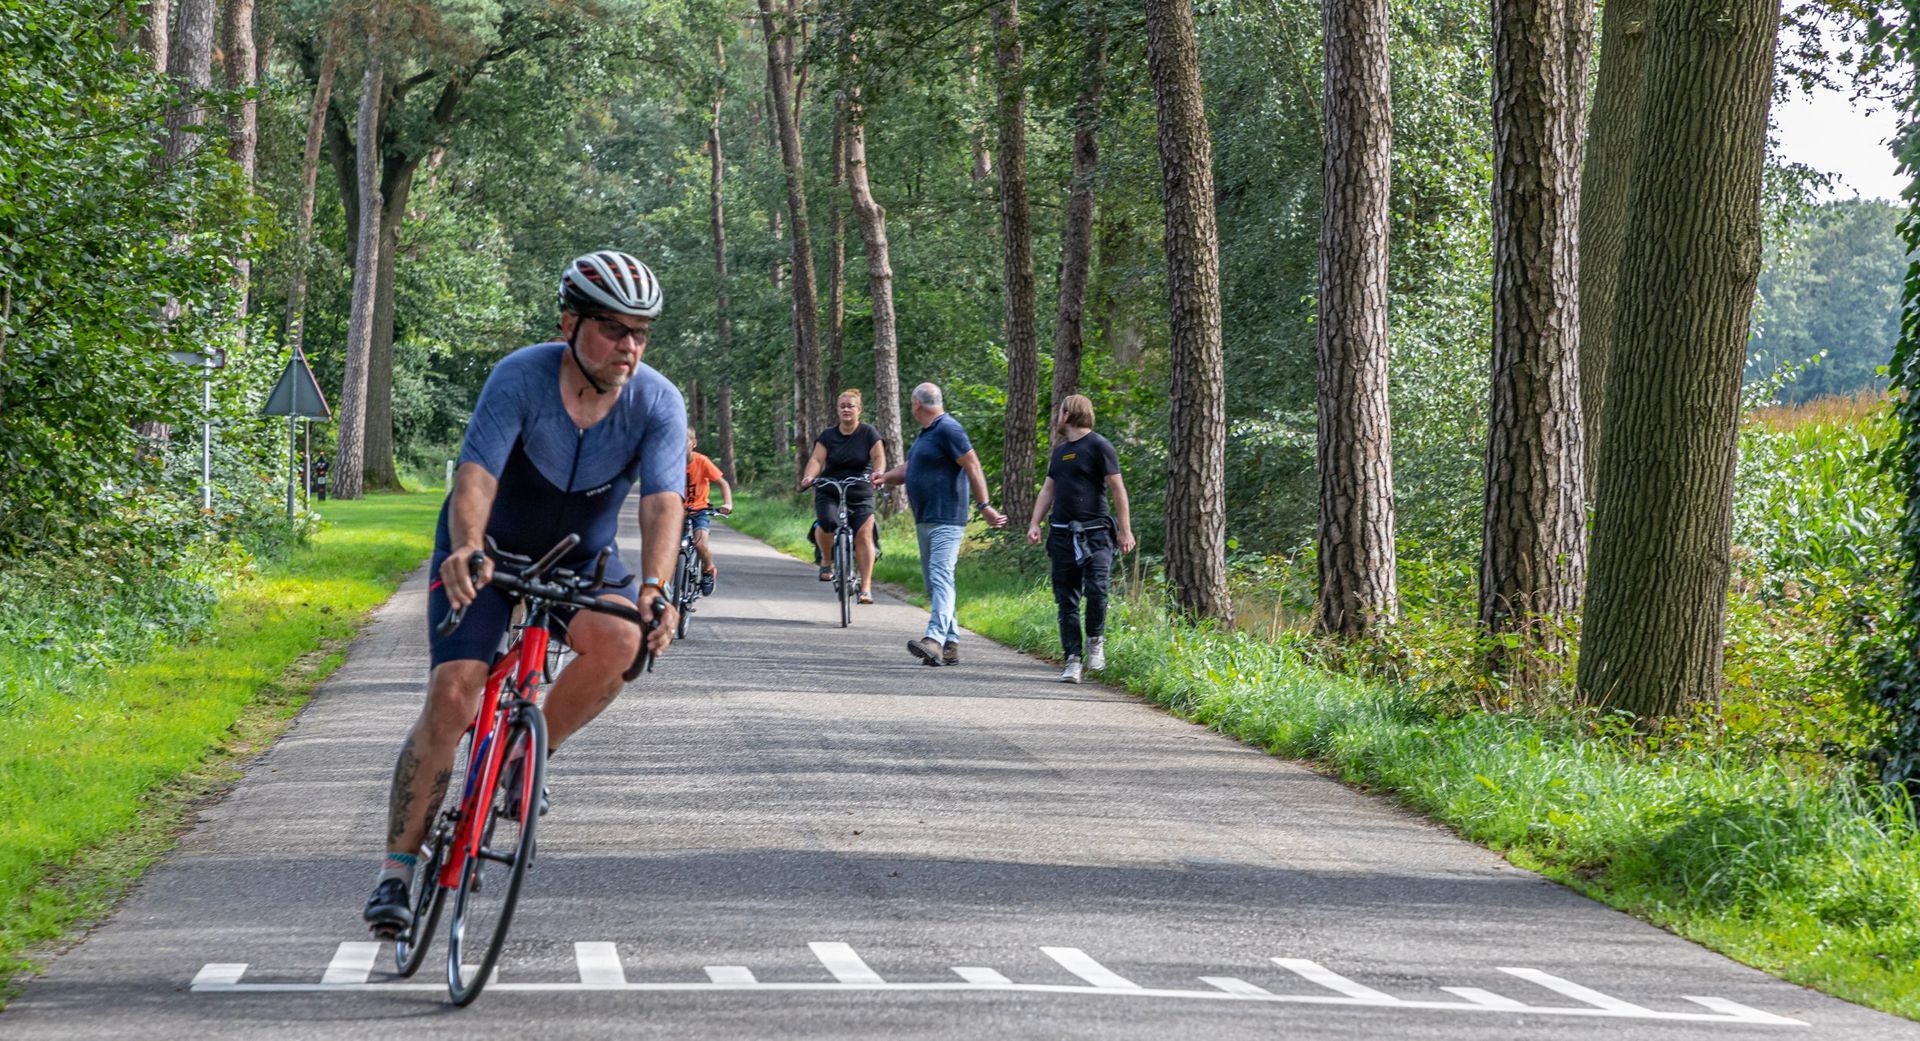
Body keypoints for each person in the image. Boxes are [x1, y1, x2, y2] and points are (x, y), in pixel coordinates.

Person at [362, 250, 686, 937]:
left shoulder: (657, 400)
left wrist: (656, 588)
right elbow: (477, 473)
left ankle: (525, 758)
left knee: (623, 640)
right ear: (569, 324)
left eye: (640, 333)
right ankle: (398, 870)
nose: (628, 346)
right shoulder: (520, 376)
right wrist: (466, 546)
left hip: (581, 558)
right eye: (611, 328)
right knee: (455, 692)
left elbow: (663, 502)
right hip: (488, 548)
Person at [871, 382, 1006, 665]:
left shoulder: (948, 429)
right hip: (926, 518)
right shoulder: (927, 434)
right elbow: (910, 469)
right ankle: (951, 644)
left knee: (940, 576)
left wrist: (984, 506)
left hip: (947, 517)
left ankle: (933, 639)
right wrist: (885, 477)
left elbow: (973, 465)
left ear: (917, 404)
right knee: (934, 582)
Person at [1026, 395, 1136, 683]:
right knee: (1067, 600)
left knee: (1097, 590)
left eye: (1059, 412)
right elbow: (1048, 490)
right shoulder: (1060, 452)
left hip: (1096, 533)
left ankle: (1095, 642)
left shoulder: (1100, 446)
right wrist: (1035, 523)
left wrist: (1125, 530)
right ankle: (1072, 659)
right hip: (1062, 533)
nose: (1057, 417)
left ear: (1068, 415)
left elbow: (1118, 489)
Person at [799, 388, 885, 604]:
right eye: (842, 406)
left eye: (850, 406)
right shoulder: (828, 435)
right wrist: (809, 477)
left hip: (860, 487)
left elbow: (878, 457)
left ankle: (865, 588)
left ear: (859, 410)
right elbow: (817, 460)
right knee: (827, 522)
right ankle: (826, 560)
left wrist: (878, 474)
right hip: (830, 487)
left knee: (864, 534)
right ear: (837, 410)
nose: (846, 409)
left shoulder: (869, 433)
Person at [684, 425, 733, 596]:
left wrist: (728, 504)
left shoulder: (702, 461)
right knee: (669, 545)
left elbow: (723, 483)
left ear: (693, 443)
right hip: (678, 511)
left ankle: (708, 570)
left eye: (685, 441)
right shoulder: (671, 462)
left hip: (700, 510)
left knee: (700, 544)